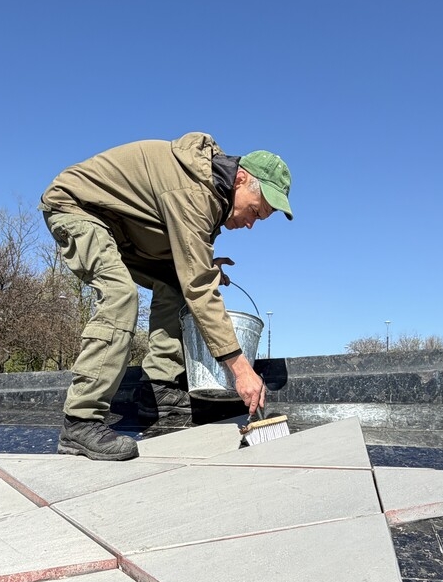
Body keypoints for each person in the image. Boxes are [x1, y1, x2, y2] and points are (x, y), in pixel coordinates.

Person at [41, 132, 292, 461]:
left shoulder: (214, 195)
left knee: (175, 283)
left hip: (124, 227)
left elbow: (191, 267)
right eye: (256, 212)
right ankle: (80, 421)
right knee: (120, 294)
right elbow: (199, 286)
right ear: (241, 179)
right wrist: (241, 369)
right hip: (78, 208)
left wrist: (203, 268)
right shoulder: (194, 191)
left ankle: (158, 389)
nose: (251, 224)